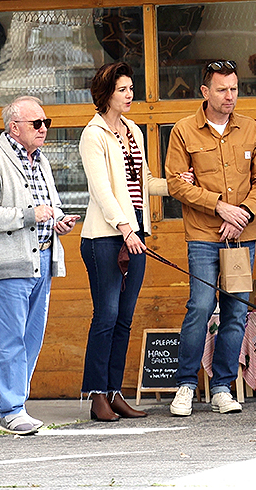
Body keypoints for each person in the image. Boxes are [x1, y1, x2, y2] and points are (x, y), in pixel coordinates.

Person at [78, 62, 194, 422]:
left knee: (125, 319)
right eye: (123, 89)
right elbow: (102, 192)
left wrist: (174, 184)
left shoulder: (133, 131)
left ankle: (115, 393)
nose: (130, 95)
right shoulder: (93, 134)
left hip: (135, 236)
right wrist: (125, 229)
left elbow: (140, 182)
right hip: (105, 238)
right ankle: (96, 394)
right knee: (107, 315)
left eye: (131, 88)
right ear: (106, 92)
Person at [165, 59, 256, 417]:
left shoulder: (251, 129)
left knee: (236, 311)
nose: (230, 96)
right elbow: (176, 183)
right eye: (223, 89)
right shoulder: (184, 131)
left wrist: (240, 213)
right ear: (205, 91)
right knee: (199, 307)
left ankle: (223, 388)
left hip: (242, 236)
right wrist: (218, 208)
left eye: (235, 89)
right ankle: (185, 384)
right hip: (202, 234)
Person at [0, 95, 78, 435]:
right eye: (37, 124)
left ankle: (5, 405)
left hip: (42, 259)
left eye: (46, 123)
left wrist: (59, 220)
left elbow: (51, 204)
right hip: (8, 264)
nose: (44, 129)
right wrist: (29, 216)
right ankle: (13, 410)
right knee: (11, 340)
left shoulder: (41, 161)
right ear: (14, 127)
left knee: (31, 338)